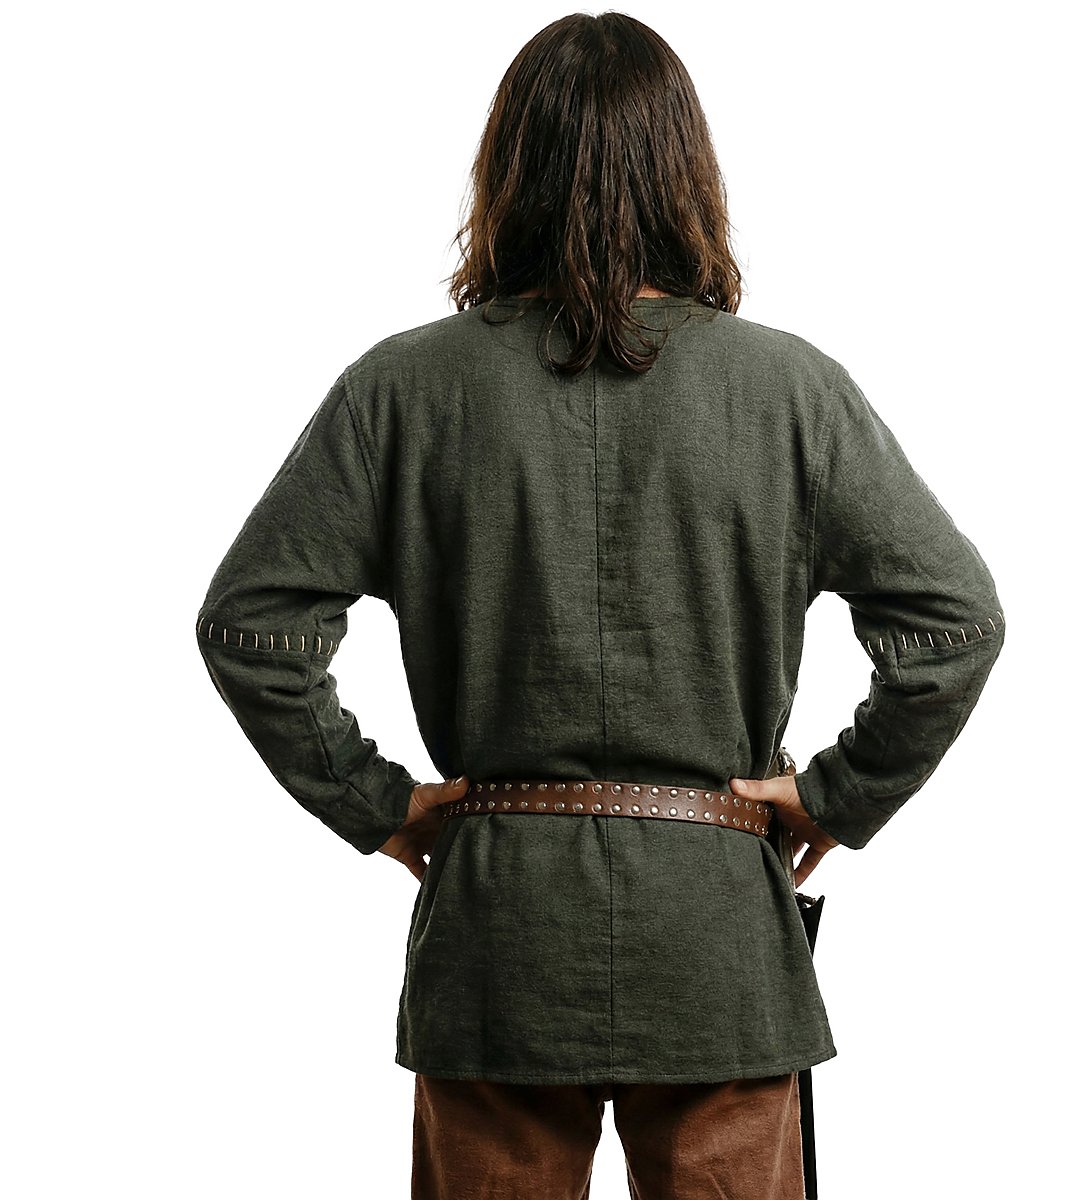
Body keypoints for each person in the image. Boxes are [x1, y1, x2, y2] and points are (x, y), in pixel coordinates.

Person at [194, 11, 1006, 1199]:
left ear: (506, 170)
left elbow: (251, 629)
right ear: (687, 173)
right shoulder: (791, 390)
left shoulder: (401, 389)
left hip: (498, 936)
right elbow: (954, 626)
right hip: (717, 940)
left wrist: (381, 806)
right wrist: (838, 797)